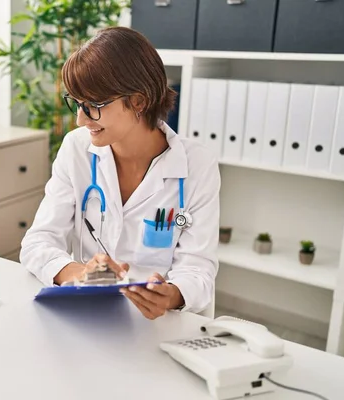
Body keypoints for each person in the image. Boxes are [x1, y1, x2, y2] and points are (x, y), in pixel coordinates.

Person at [19, 26, 220, 319]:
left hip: (161, 326)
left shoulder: (197, 165)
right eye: (77, 103)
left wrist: (171, 295)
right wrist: (78, 273)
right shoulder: (76, 149)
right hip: (91, 316)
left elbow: (199, 270)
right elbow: (38, 242)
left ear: (139, 101)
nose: (80, 119)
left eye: (94, 106)